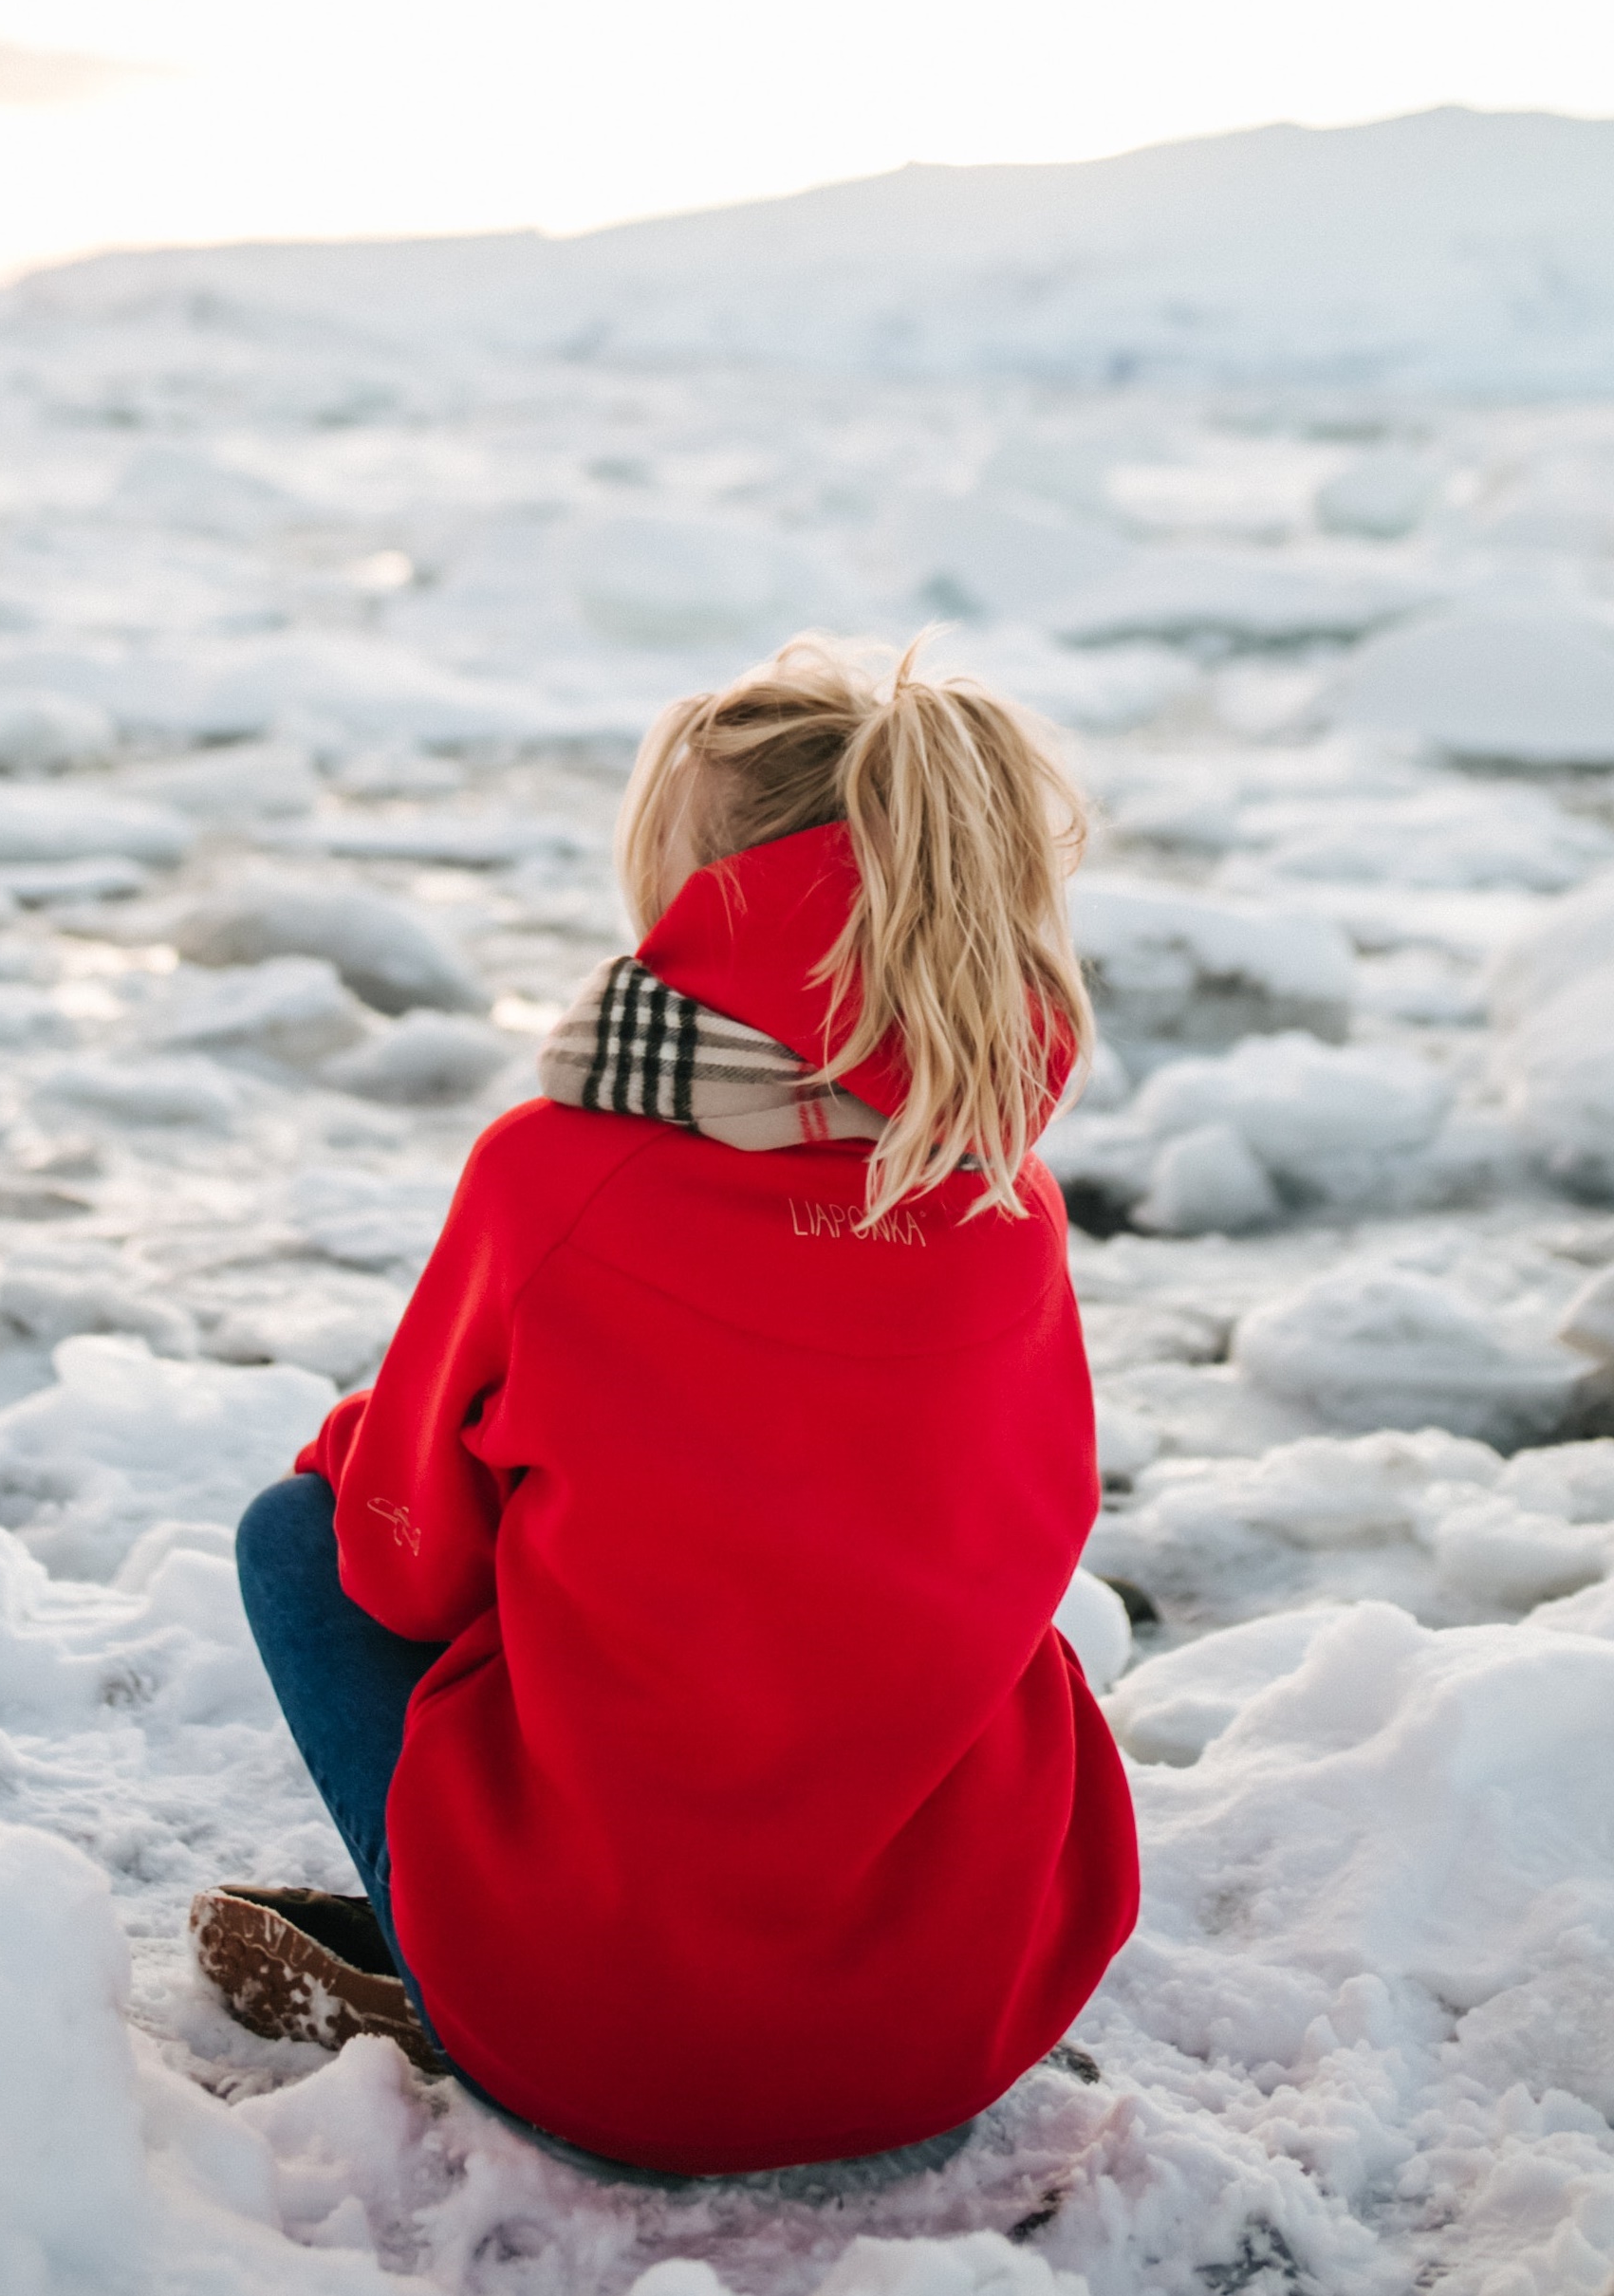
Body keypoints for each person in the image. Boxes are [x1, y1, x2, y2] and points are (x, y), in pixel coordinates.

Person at [194, 634, 1139, 2180]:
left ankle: (489, 1967)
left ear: (704, 899)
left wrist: (417, 1449)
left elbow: (396, 1559)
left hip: (601, 2055)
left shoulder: (556, 1172)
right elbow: (1030, 1529)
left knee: (294, 1533)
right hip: (952, 2034)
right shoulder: (997, 1195)